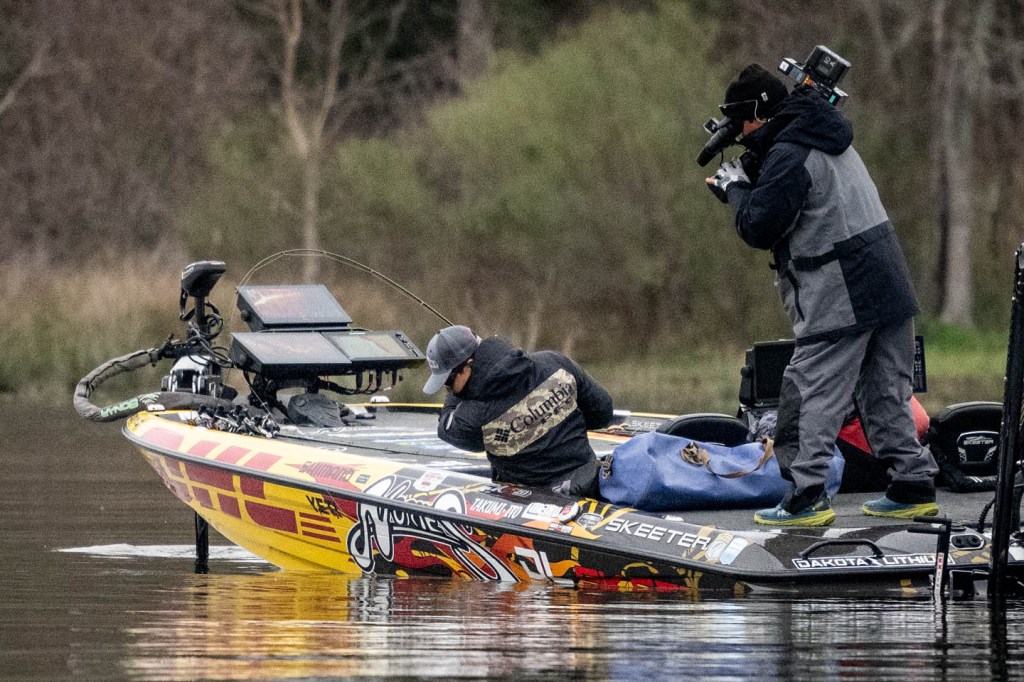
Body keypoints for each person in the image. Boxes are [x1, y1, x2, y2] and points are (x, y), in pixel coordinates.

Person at [705, 64, 939, 526]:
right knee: (884, 390)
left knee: (807, 389)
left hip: (841, 290)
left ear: (755, 115)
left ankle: (805, 495)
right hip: (889, 282)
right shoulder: (820, 131)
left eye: (741, 124)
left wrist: (735, 190)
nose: (741, 134)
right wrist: (750, 181)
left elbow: (759, 226)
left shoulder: (789, 153)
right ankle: (913, 485)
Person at [423, 325, 614, 497]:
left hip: (534, 504)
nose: (448, 389)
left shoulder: (471, 418)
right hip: (590, 485)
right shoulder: (555, 362)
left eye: (448, 381)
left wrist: (463, 392)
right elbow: (603, 412)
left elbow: (445, 426)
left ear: (469, 366)